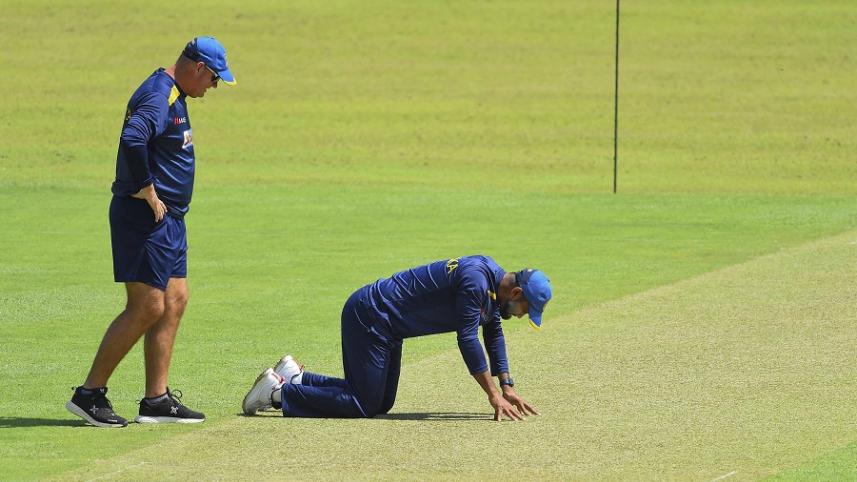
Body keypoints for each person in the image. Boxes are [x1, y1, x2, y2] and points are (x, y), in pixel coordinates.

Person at [65, 37, 237, 428]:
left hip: (170, 220)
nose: (213, 86)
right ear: (198, 68)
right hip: (144, 219)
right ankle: (89, 395)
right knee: (147, 306)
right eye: (213, 78)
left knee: (175, 299)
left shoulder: (176, 94)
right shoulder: (159, 95)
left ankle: (156, 400)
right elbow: (132, 138)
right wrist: (145, 187)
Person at [242, 255, 552, 421]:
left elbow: (493, 333)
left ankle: (296, 378)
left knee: (381, 402)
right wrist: (492, 395)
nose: (522, 315)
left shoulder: (492, 286)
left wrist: (507, 386)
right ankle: (277, 394)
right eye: (526, 309)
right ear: (516, 293)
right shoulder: (476, 282)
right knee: (363, 403)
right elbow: (468, 339)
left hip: (388, 327)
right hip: (370, 315)